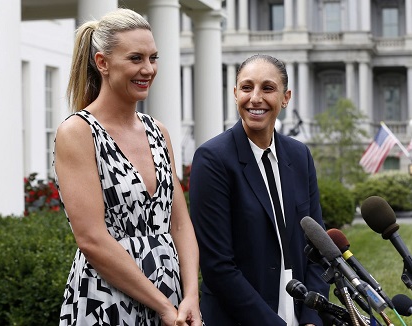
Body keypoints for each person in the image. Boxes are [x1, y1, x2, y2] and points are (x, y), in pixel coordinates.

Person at [53, 8, 202, 326]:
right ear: (102, 63)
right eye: (136, 58)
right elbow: (91, 238)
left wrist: (191, 296)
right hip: (107, 303)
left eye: (153, 57)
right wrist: (162, 306)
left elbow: (180, 225)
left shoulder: (157, 131)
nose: (148, 69)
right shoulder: (78, 132)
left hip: (172, 301)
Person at [189, 54, 329, 326]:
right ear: (235, 93)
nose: (255, 98)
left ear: (285, 97)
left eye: (267, 88)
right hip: (240, 317)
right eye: (246, 87)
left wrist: (312, 317)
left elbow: (319, 248)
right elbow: (217, 266)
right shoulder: (212, 159)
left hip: (300, 311)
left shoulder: (300, 156)